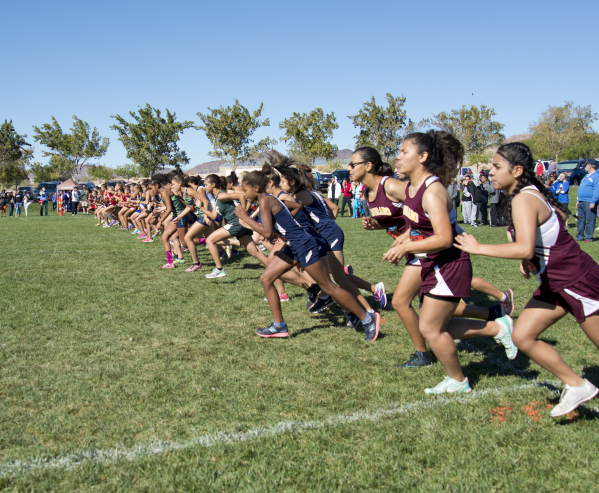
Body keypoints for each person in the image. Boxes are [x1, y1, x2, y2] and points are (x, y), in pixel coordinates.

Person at [455, 142, 599, 417]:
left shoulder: (523, 198)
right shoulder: (523, 194)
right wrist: (531, 259)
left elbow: (524, 245)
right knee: (522, 335)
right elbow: (552, 225)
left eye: (497, 167)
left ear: (517, 170)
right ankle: (576, 385)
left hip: (576, 280)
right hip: (554, 284)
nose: (491, 172)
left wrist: (479, 247)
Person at [381, 130, 516, 394]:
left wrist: (408, 245)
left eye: (403, 152)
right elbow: (422, 223)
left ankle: (458, 381)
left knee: (431, 329)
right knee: (437, 326)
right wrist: (404, 237)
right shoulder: (411, 187)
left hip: (450, 263)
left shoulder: (432, 191)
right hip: (434, 264)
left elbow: (444, 238)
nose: (398, 158)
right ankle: (498, 327)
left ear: (422, 156)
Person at [233, 167, 381, 340]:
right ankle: (279, 325)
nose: (243, 193)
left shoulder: (266, 200)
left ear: (256, 188)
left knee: (328, 287)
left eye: (245, 190)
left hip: (304, 244)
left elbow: (265, 232)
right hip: (294, 245)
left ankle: (367, 318)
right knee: (266, 278)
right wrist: (285, 227)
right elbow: (294, 208)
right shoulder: (268, 199)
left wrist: (246, 217)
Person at [576, 161, 599, 242]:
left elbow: (597, 190)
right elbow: (582, 187)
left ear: (589, 166)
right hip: (581, 201)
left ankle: (589, 237)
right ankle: (580, 236)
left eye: (585, 166)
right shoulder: (586, 175)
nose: (584, 168)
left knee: (590, 220)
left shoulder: (596, 176)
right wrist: (578, 199)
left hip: (589, 201)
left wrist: (593, 201)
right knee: (580, 220)